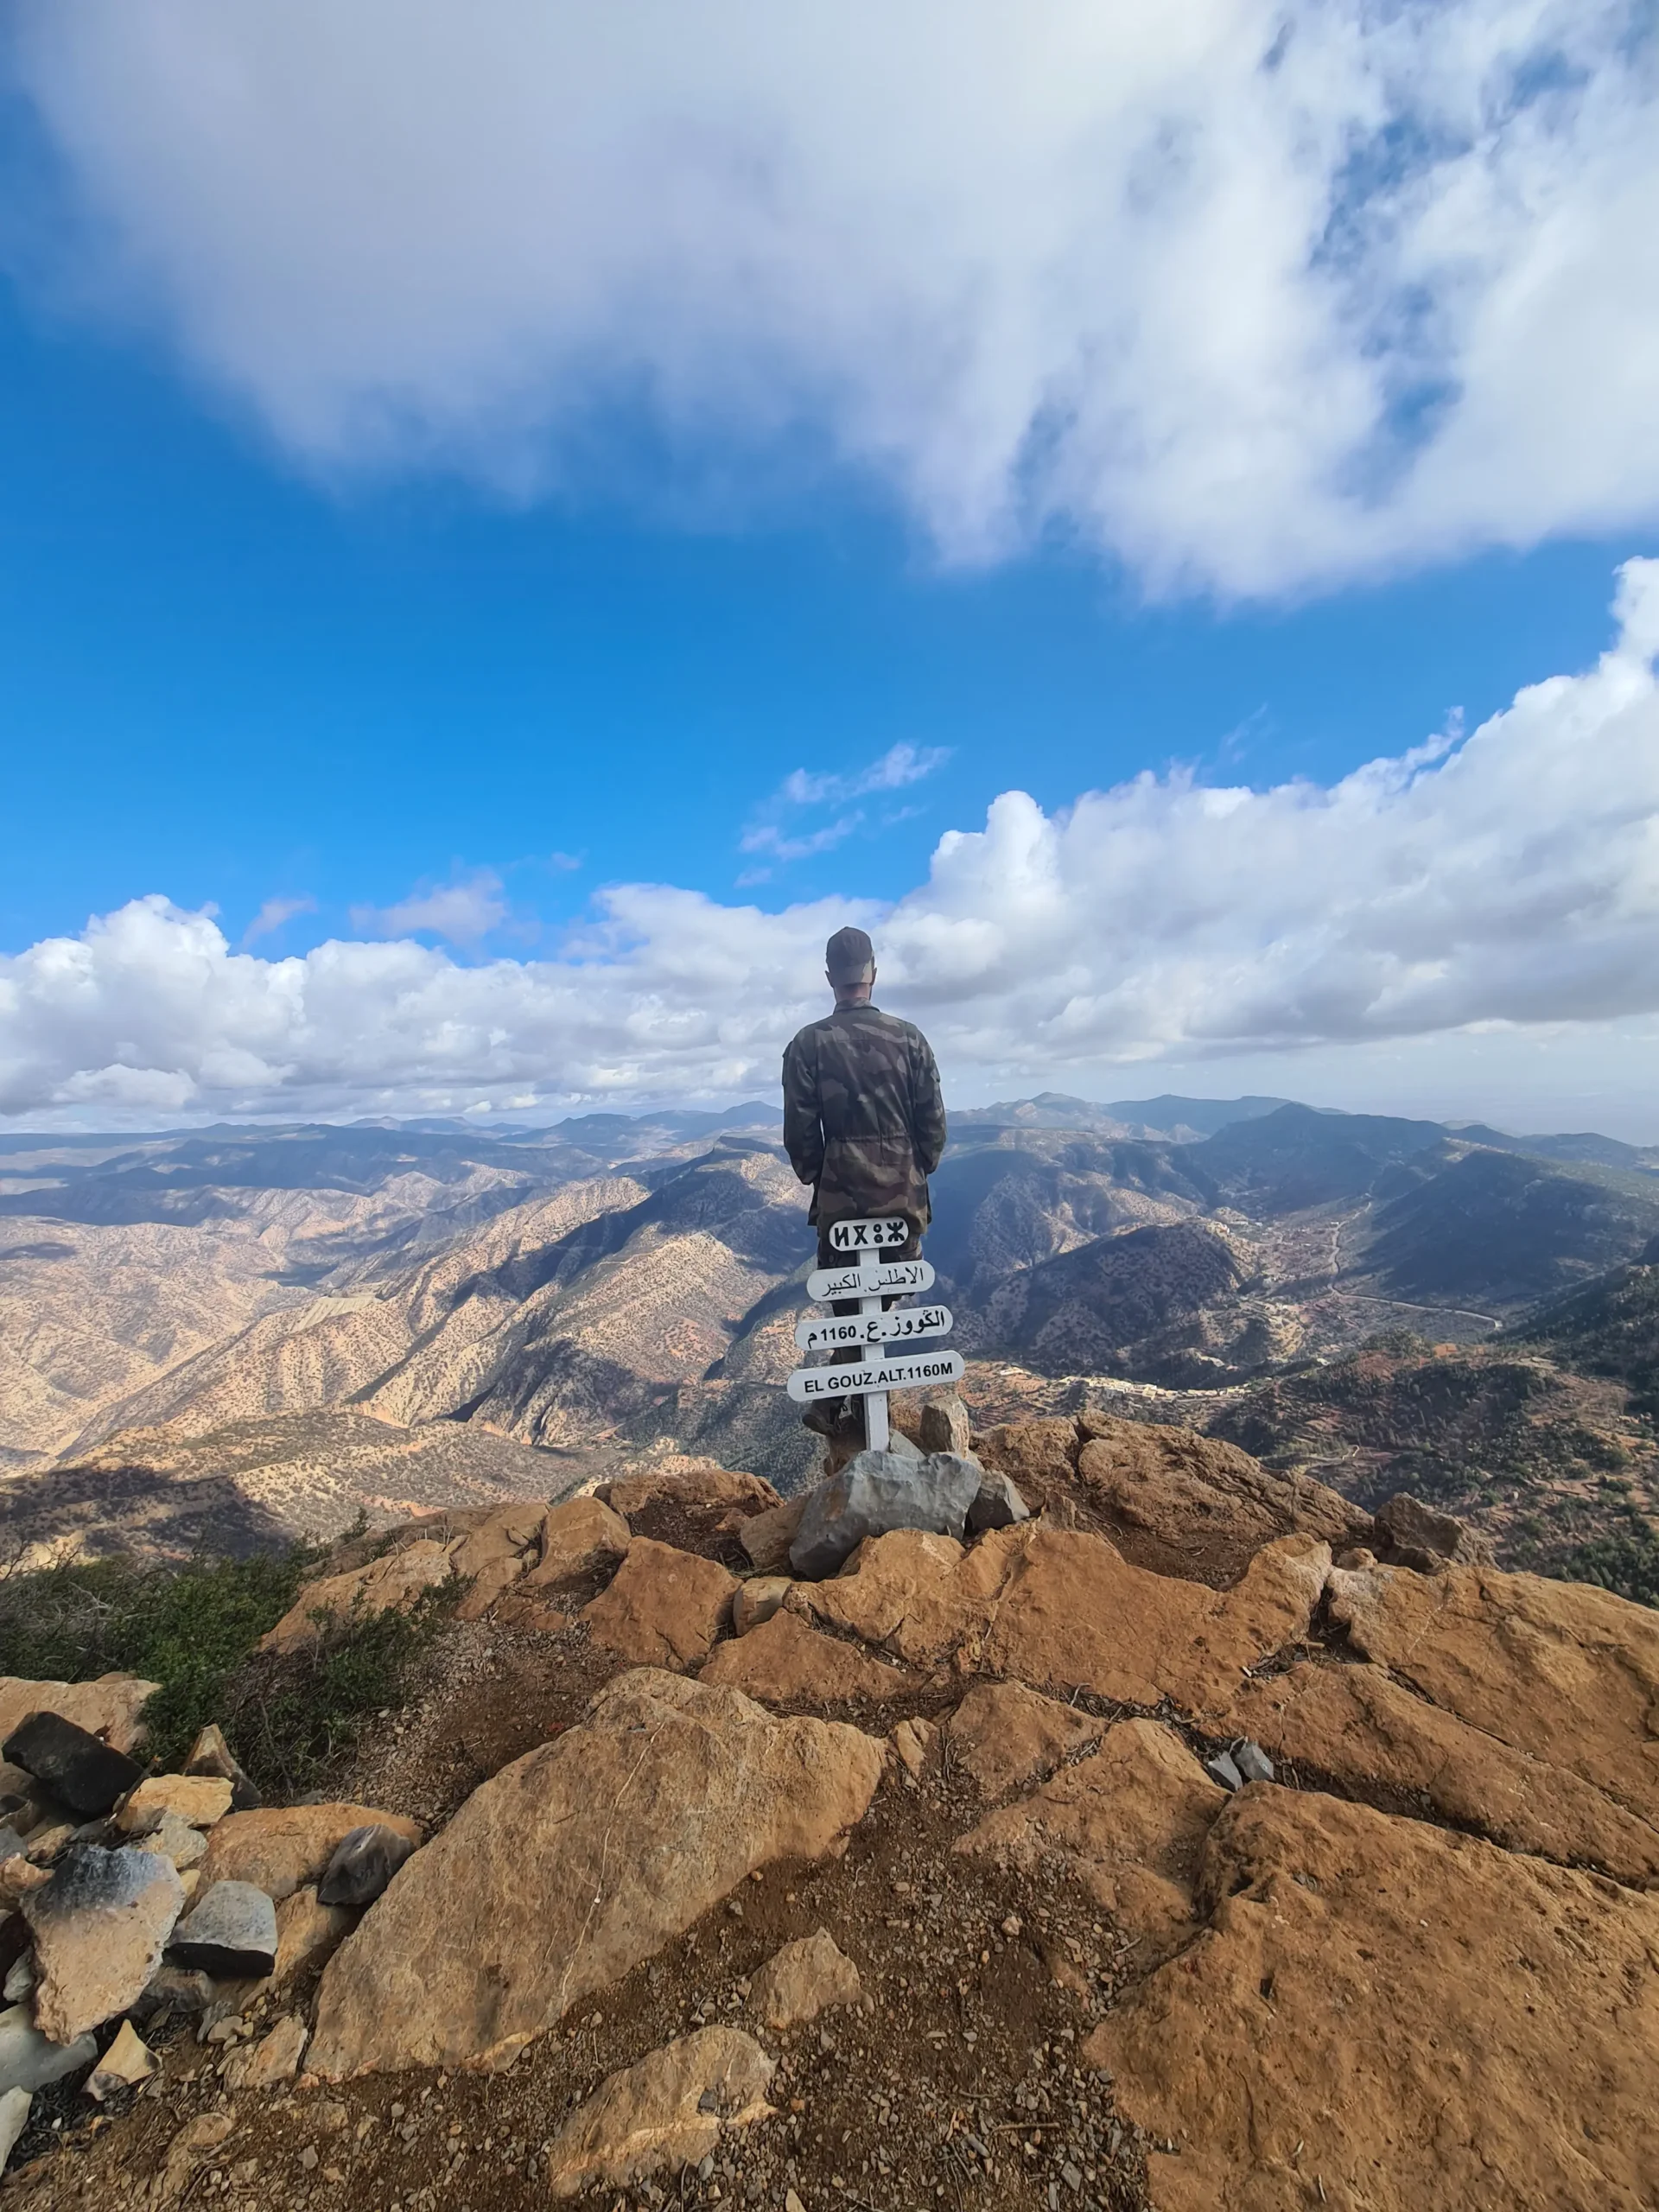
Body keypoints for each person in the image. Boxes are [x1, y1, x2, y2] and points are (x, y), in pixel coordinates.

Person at [782, 926, 947, 1440]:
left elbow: (801, 1133)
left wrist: (818, 1172)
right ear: (873, 973)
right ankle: (847, 1404)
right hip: (902, 1198)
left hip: (840, 1202)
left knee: (850, 1302)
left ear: (830, 977)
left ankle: (837, 1397)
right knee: (885, 1295)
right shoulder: (910, 1038)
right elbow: (933, 1126)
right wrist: (917, 1168)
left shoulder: (807, 1045)